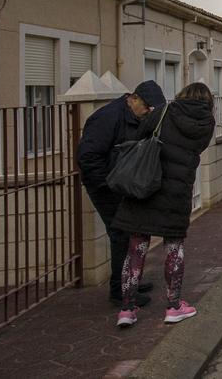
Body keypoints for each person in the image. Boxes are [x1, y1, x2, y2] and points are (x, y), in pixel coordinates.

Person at [114, 82, 216, 328]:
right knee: (174, 247)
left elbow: (138, 136)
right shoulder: (207, 124)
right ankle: (173, 306)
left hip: (145, 186)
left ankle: (127, 309)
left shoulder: (163, 111)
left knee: (136, 249)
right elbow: (197, 149)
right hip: (177, 191)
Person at [77, 80, 166, 308]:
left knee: (131, 233)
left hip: (124, 185)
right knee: (121, 234)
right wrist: (110, 184)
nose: (147, 113)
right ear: (133, 98)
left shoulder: (136, 117)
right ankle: (120, 291)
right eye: (146, 108)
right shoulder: (107, 118)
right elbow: (88, 157)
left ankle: (131, 280)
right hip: (107, 187)